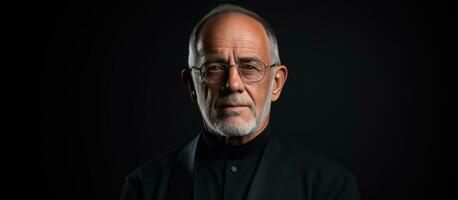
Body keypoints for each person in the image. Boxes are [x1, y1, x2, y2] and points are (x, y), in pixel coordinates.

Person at [121, 4, 359, 200]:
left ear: (276, 83)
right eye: (214, 68)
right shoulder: (145, 187)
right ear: (191, 86)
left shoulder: (329, 187)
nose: (233, 83)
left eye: (249, 67)